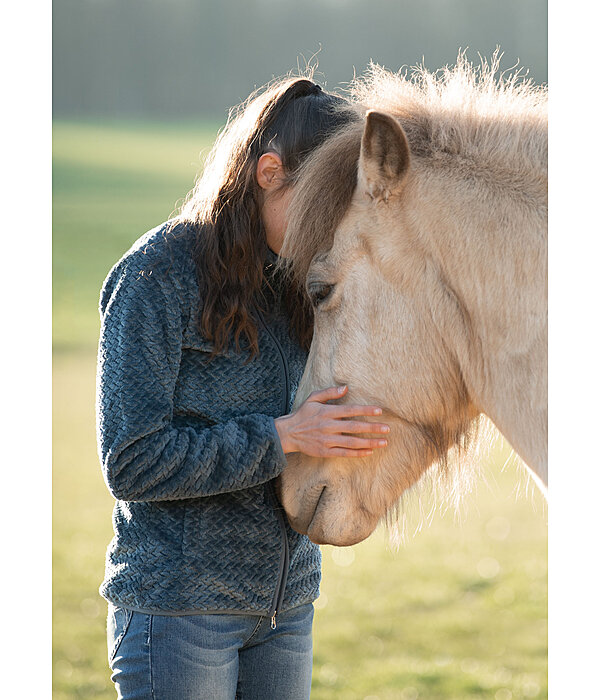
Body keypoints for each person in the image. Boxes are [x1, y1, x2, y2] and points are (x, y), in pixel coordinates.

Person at [96, 76, 390, 700]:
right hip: (178, 616)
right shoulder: (157, 276)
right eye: (320, 205)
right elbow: (131, 461)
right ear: (268, 172)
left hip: (286, 610)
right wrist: (282, 436)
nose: (330, 228)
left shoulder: (302, 281)